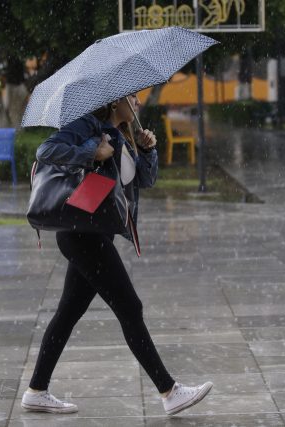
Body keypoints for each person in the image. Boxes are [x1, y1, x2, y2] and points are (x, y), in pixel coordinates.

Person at [21, 93, 213, 416]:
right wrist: (91, 151)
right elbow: (46, 150)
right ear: (114, 103)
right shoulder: (88, 126)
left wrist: (148, 149)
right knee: (130, 306)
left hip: (95, 233)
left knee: (68, 313)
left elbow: (146, 181)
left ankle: (36, 390)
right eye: (132, 98)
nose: (137, 103)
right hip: (80, 233)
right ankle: (169, 391)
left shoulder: (125, 137)